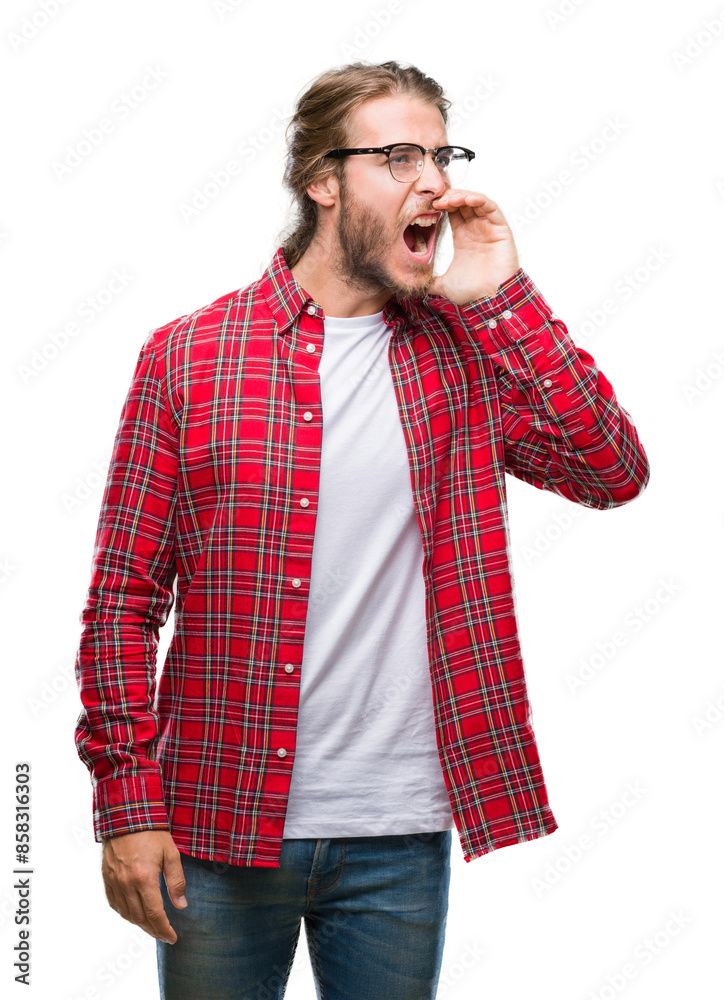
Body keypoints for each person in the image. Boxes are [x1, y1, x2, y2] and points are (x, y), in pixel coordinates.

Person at [73, 60, 650, 1000]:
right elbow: (121, 606)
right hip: (217, 825)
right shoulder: (191, 357)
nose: (435, 180)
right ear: (323, 181)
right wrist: (126, 806)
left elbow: (611, 471)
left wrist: (507, 296)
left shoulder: (466, 355)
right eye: (399, 156)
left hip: (401, 833)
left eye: (441, 153)